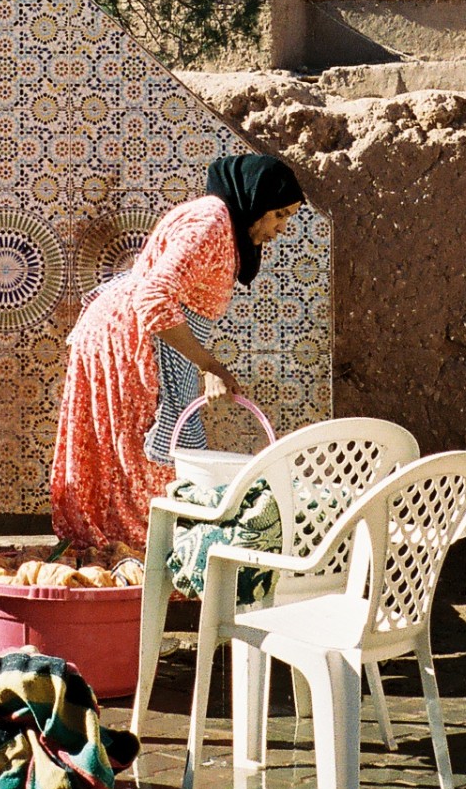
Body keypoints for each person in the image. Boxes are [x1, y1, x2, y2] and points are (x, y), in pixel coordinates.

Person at [49, 154, 306, 551]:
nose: (280, 229)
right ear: (255, 201)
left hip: (151, 340)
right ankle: (137, 565)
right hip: (131, 340)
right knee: (143, 461)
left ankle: (137, 560)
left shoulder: (223, 225)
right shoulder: (210, 224)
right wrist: (209, 365)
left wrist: (203, 364)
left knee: (151, 457)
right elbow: (153, 296)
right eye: (278, 216)